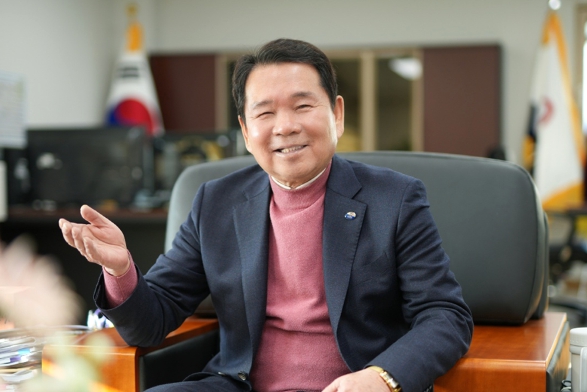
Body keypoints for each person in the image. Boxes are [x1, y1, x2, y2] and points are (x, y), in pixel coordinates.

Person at [59, 38, 473, 392]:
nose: (285, 127)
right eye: (265, 112)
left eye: (302, 105)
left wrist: (382, 377)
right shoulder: (216, 202)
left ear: (337, 114)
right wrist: (120, 270)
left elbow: (445, 315)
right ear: (245, 129)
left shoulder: (395, 198)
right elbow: (151, 323)